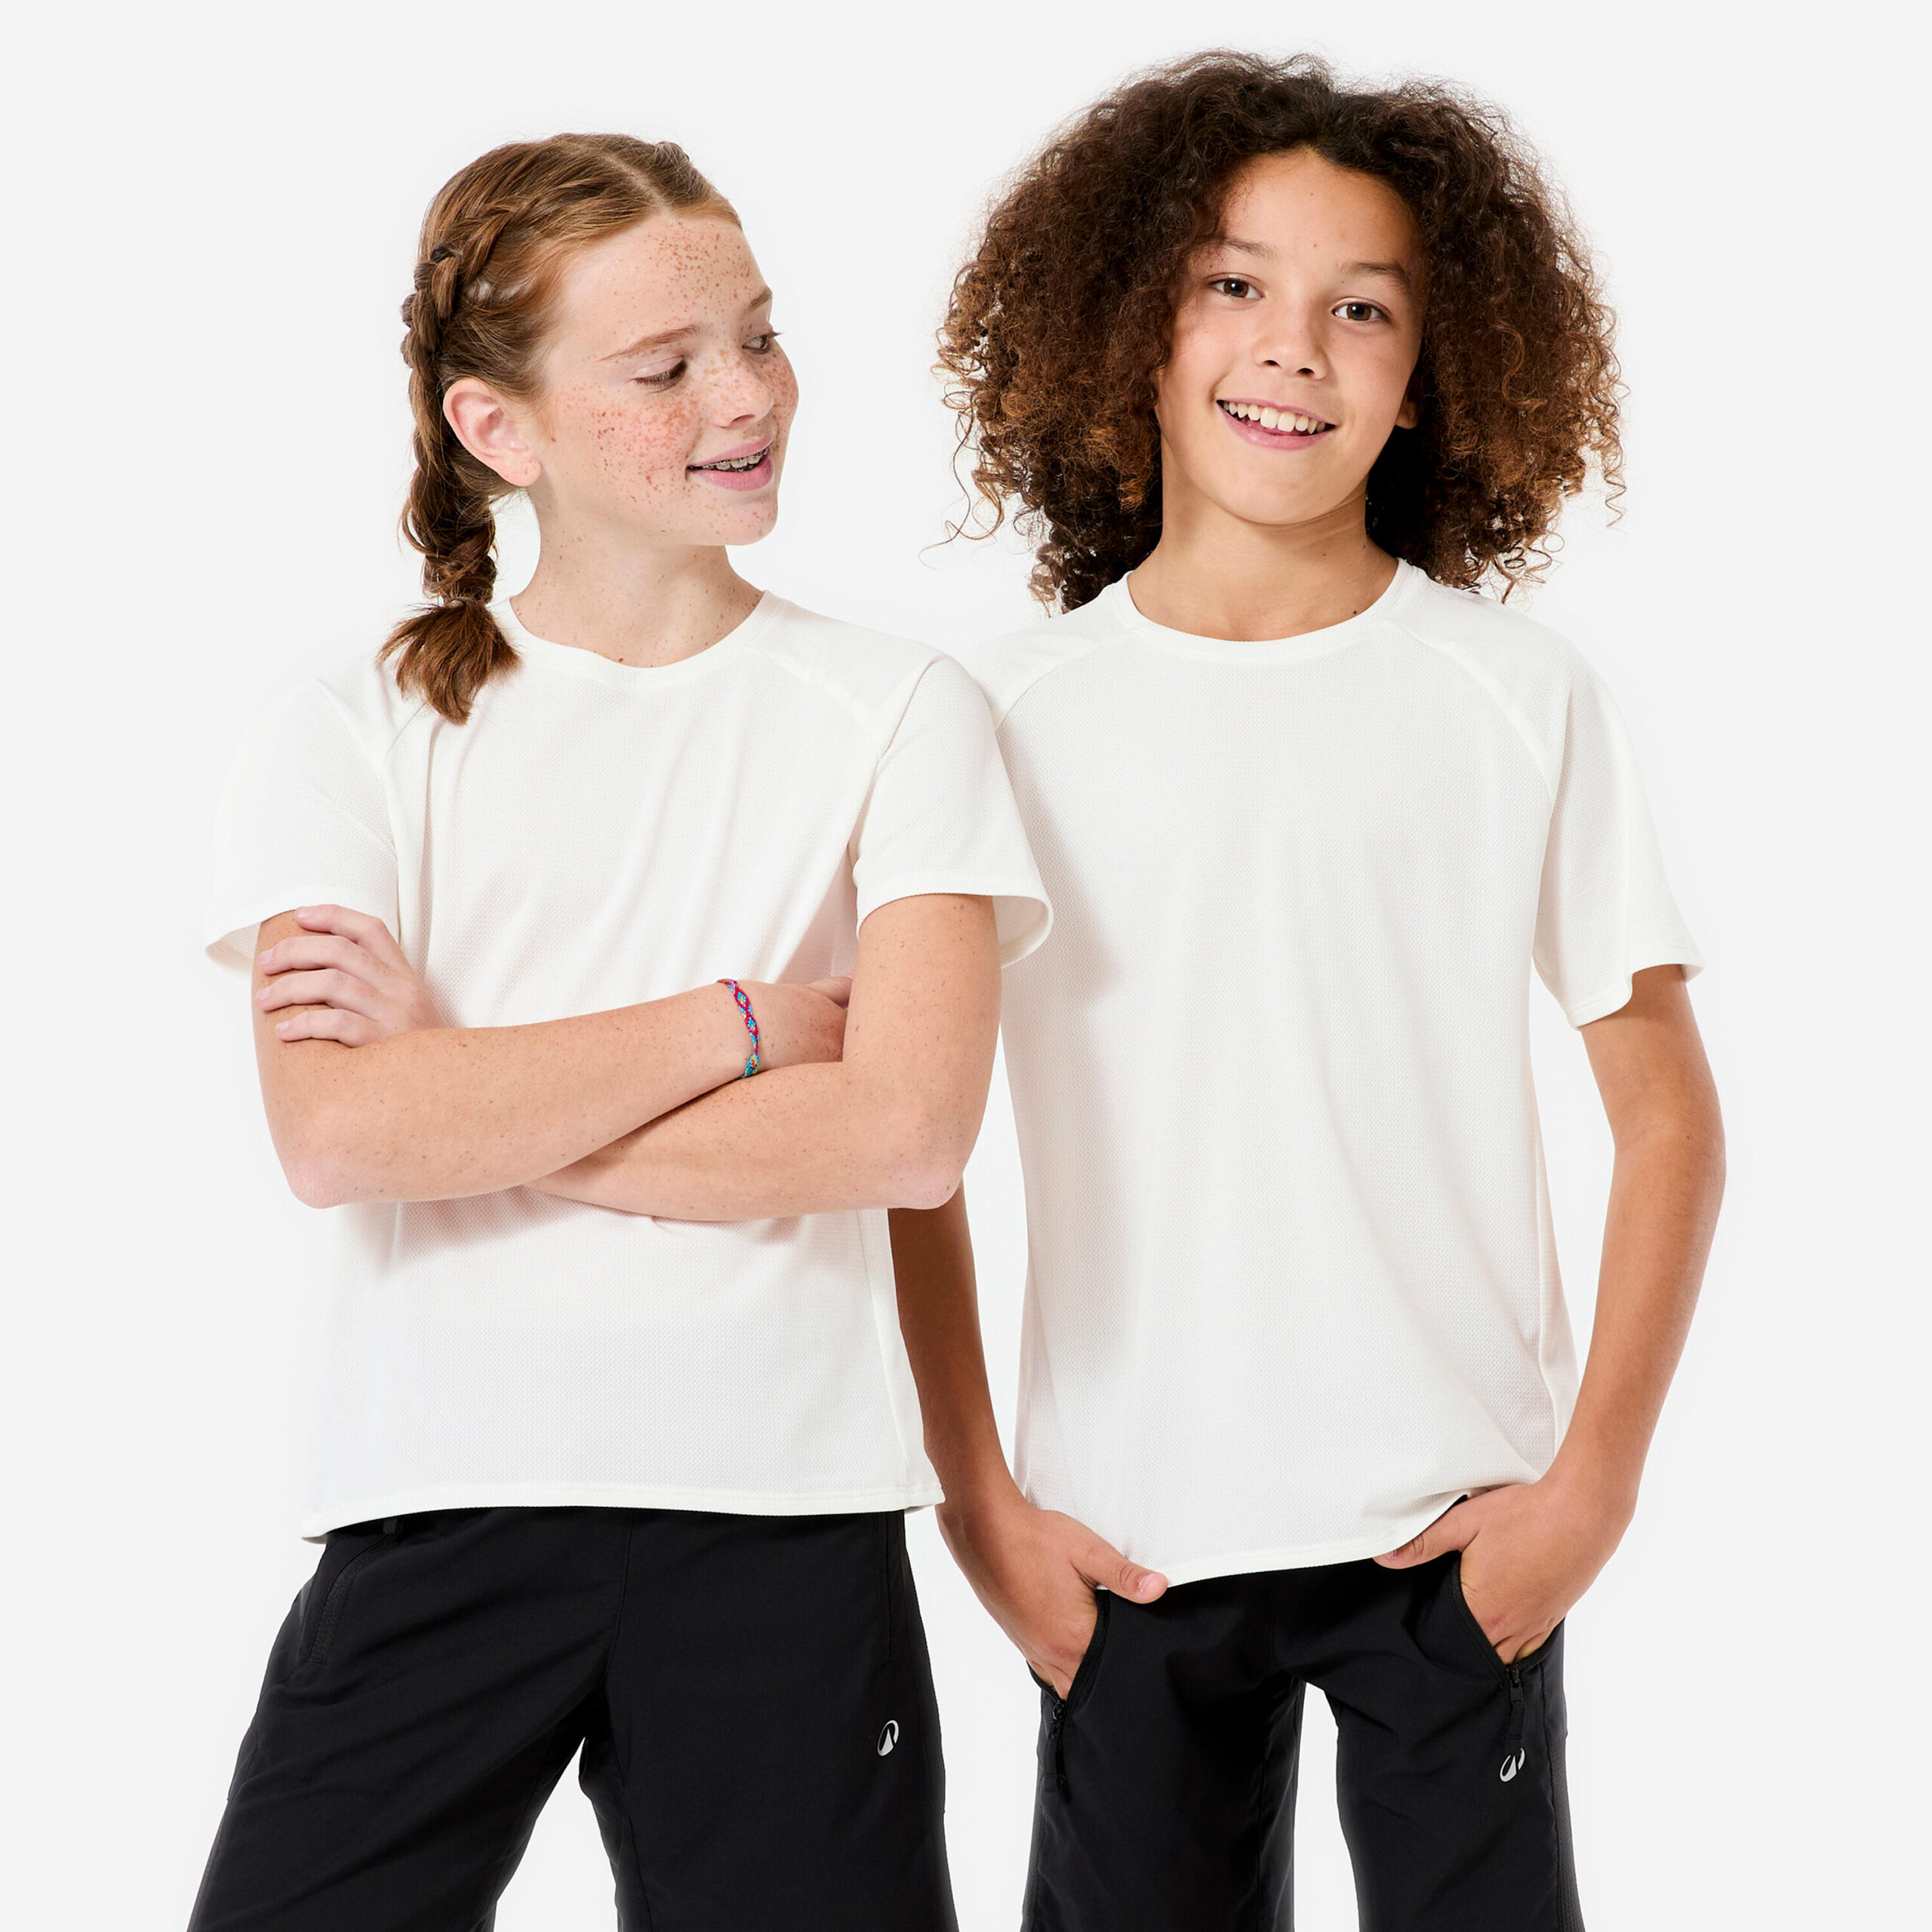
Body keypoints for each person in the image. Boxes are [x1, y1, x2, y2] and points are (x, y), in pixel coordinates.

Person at [903, 51, 1726, 1930]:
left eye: (1360, 307)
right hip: (1123, 1542)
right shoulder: (994, 718)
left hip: (1451, 1535)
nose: (1291, 345)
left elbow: (1667, 1114)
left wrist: (1586, 1491)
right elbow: (908, 1149)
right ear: (1131, 324)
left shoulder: (1515, 696)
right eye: (1231, 284)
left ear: (1424, 374)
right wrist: (978, 1502)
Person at [190, 131, 1047, 1932]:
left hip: (784, 1514)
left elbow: (901, 1133)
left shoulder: (904, 710)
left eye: (759, 334)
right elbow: (337, 1136)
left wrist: (465, 1081)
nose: (747, 396)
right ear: (497, 426)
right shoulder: (352, 723)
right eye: (665, 368)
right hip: (437, 1495)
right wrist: (732, 1023)